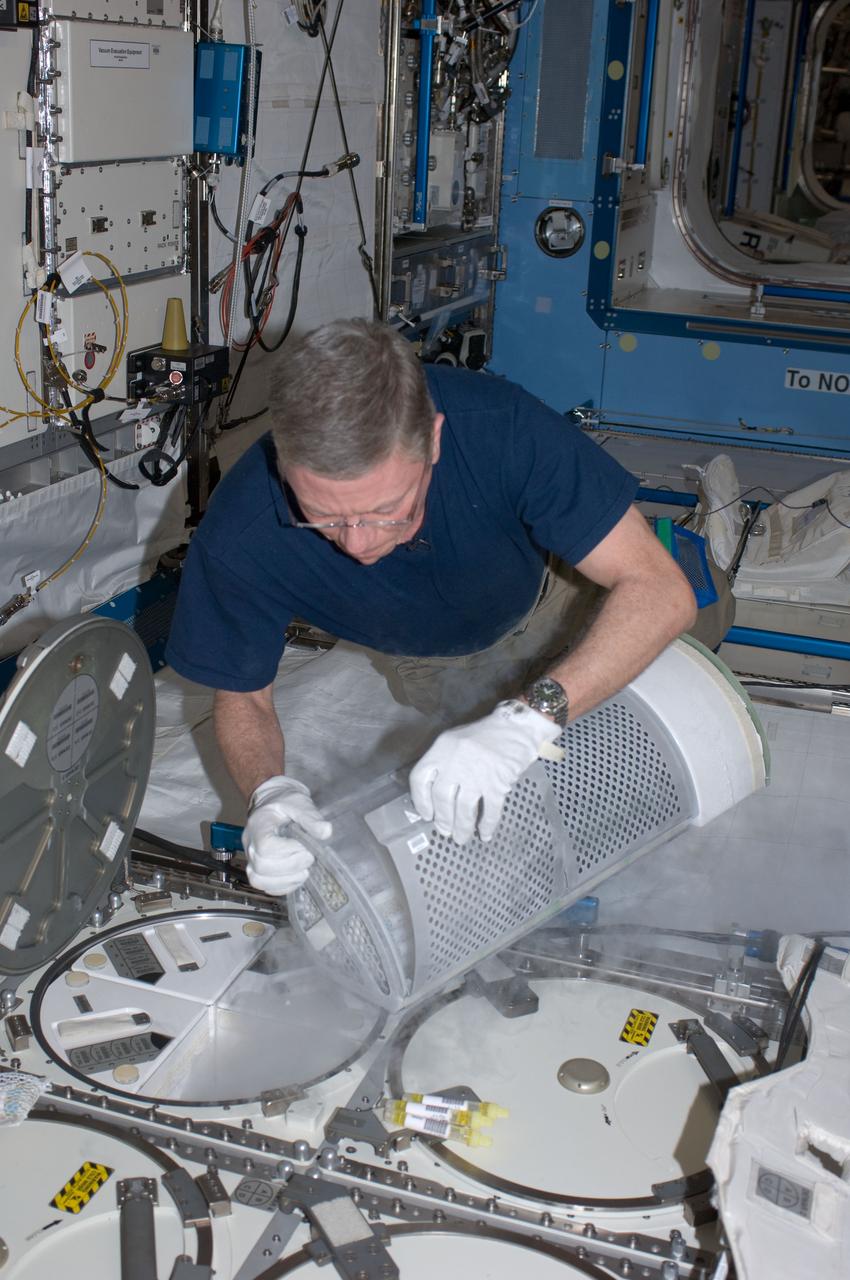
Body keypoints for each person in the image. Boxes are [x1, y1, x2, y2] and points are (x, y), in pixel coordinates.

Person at [166, 319, 697, 895]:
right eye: (322, 515)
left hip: (561, 598)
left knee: (665, 714)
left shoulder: (502, 427)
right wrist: (269, 791)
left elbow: (659, 590)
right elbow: (243, 695)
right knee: (509, 824)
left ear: (434, 440)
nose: (358, 545)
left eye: (386, 509)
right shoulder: (241, 530)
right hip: (432, 658)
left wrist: (529, 718)